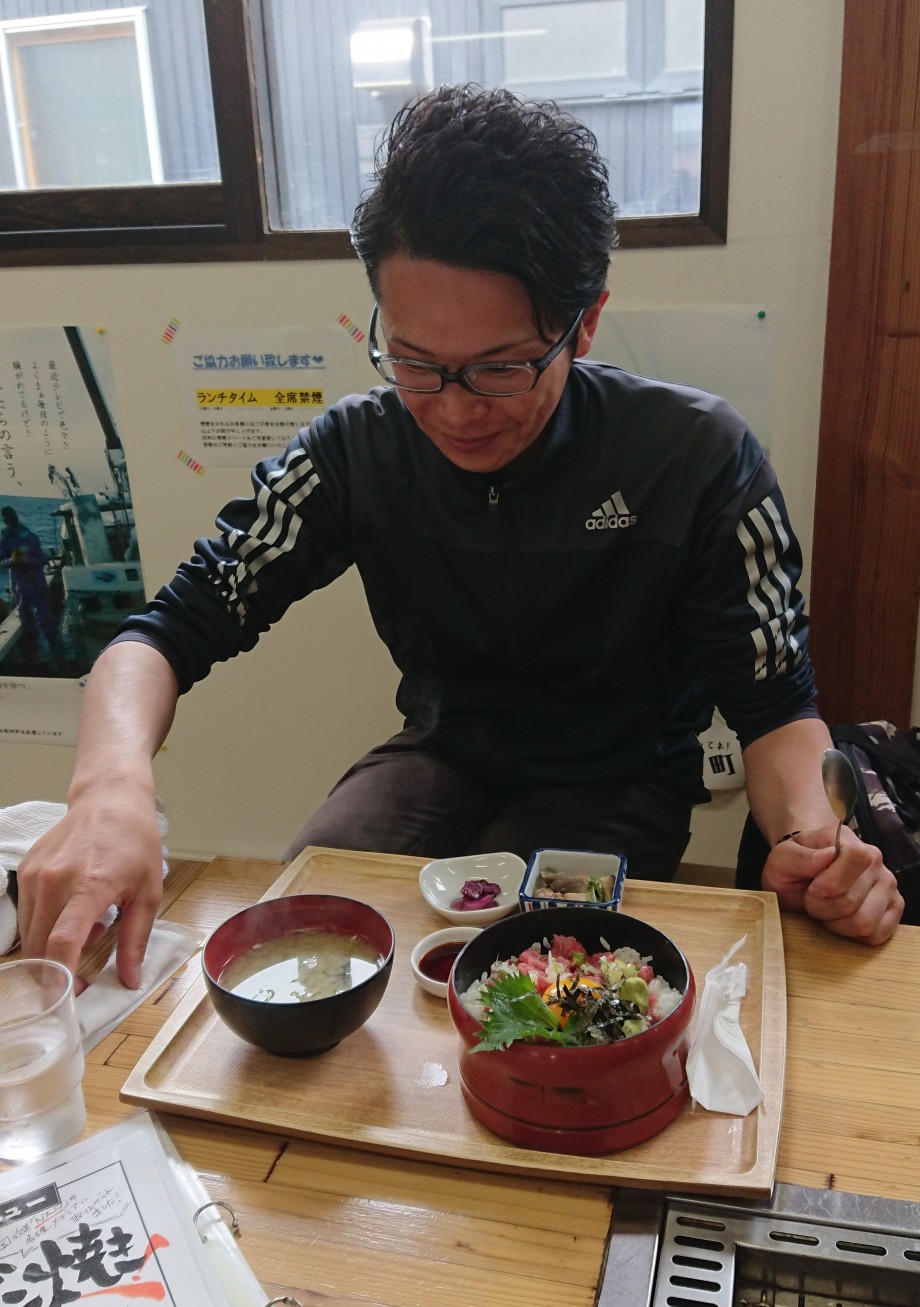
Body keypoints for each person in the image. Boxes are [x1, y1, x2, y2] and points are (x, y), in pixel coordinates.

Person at [16, 85, 903, 990]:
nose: (452, 409)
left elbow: (775, 710)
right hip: (442, 751)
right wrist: (108, 789)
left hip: (621, 781)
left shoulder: (695, 457)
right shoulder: (357, 448)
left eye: (500, 368)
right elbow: (166, 630)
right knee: (303, 926)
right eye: (413, 361)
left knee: (524, 979)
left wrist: (814, 845)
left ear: (585, 322)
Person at [0, 505, 59, 665]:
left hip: (36, 584)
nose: (7, 521)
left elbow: (42, 559)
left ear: (14, 518)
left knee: (44, 618)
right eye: (4, 519)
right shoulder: (5, 540)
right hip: (18, 588)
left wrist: (26, 560)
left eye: (9, 518)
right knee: (26, 621)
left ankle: (56, 652)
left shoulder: (30, 537)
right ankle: (34, 655)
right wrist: (11, 561)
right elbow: (1, 561)